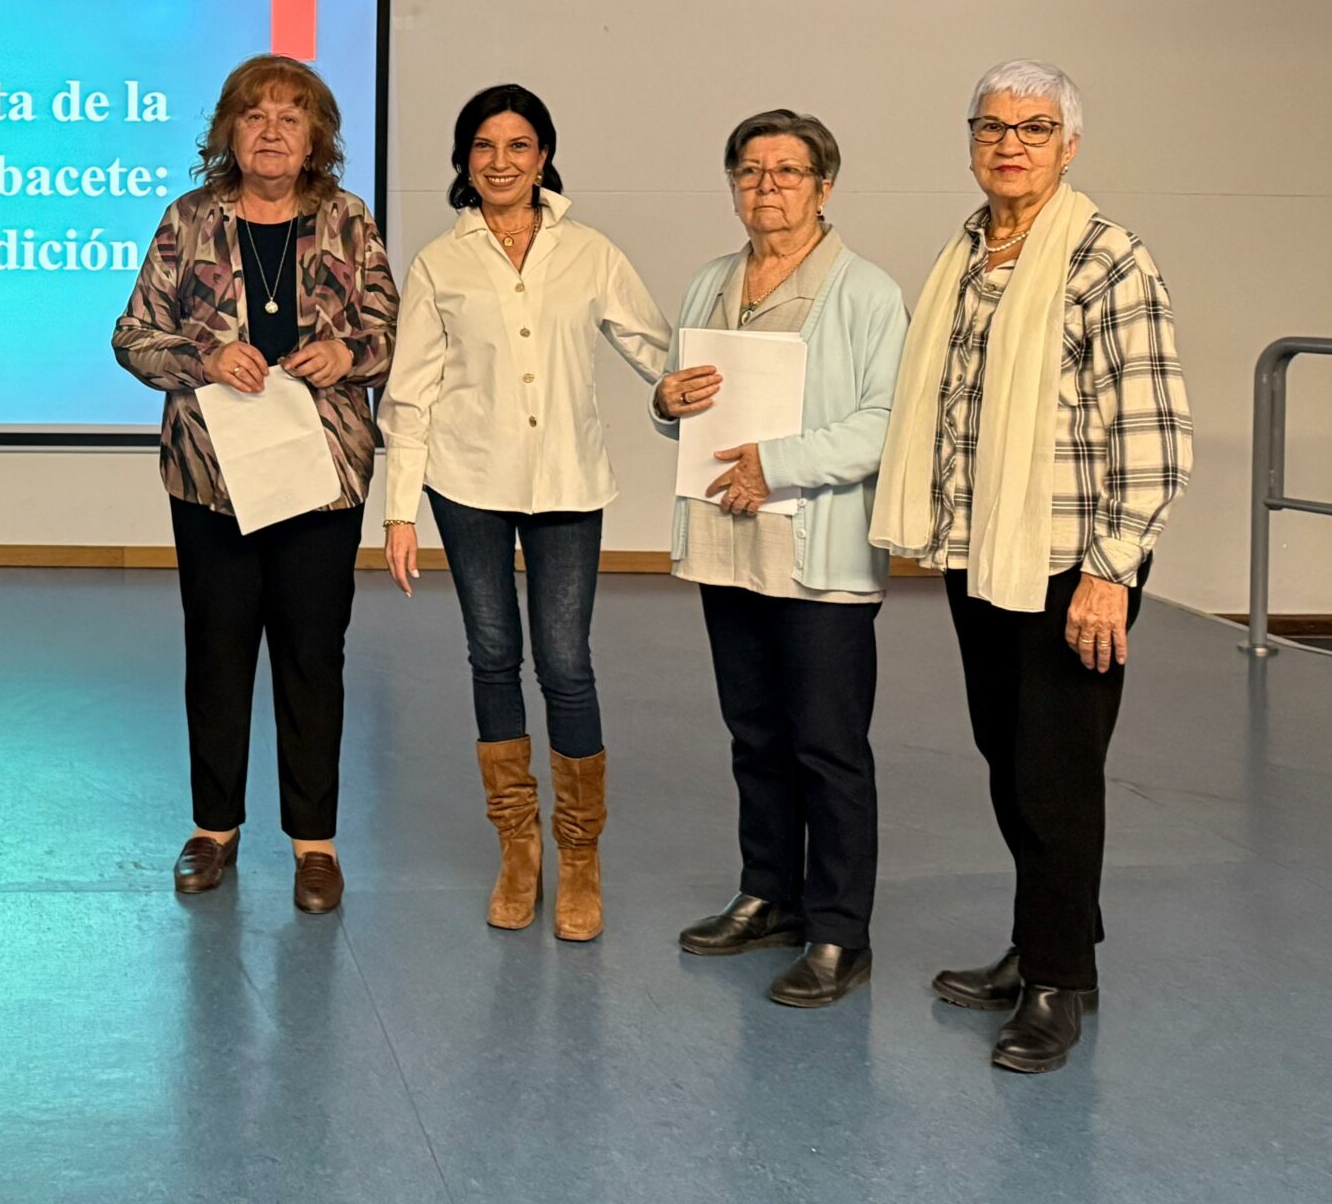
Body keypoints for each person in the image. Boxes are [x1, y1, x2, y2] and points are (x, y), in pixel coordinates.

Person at [873, 59, 1191, 1074]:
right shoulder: (968, 250)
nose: (1009, 143)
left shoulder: (1105, 259)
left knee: (1055, 778)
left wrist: (1111, 567)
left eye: (1034, 127)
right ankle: (1046, 941)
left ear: (1070, 144)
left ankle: (1059, 985)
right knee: (1010, 763)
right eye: (992, 126)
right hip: (986, 555)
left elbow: (1151, 430)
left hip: (1071, 563)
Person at [379, 84, 667, 942]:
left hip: (569, 484)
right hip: (466, 482)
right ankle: (518, 849)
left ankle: (579, 857)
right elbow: (411, 393)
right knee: (493, 655)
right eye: (483, 147)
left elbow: (654, 348)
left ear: (544, 156)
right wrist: (399, 513)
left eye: (519, 145)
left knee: (567, 662)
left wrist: (692, 392)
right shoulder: (441, 262)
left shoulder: (590, 252)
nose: (501, 162)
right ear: (464, 162)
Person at [113, 54, 397, 916]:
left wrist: (347, 354)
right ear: (228, 133)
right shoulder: (188, 221)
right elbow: (131, 337)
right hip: (212, 481)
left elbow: (389, 330)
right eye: (255, 116)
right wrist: (203, 357)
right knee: (219, 650)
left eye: (290, 118)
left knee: (314, 657)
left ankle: (315, 845)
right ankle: (214, 830)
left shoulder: (349, 220)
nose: (271, 132)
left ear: (316, 138)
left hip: (322, 479)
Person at [654, 110, 906, 1008]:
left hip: (818, 552)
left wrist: (779, 465)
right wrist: (664, 397)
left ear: (824, 187)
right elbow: (682, 405)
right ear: (732, 186)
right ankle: (768, 894)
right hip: (729, 543)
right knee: (755, 736)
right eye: (751, 171)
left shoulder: (867, 293)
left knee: (828, 747)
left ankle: (840, 932)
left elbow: (884, 422)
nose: (768, 186)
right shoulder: (710, 282)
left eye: (788, 172)